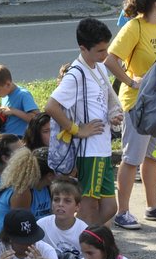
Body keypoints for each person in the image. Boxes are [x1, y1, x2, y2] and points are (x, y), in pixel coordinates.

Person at [105, 0, 156, 229]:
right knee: (132, 158)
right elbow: (110, 60)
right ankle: (122, 211)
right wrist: (132, 82)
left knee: (152, 157)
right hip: (136, 104)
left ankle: (152, 207)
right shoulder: (134, 27)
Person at [46, 17, 120, 226]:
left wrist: (113, 115)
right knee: (88, 207)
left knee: (109, 208)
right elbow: (51, 106)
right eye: (100, 51)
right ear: (83, 48)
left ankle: (84, 242)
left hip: (103, 148)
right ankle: (80, 248)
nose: (105, 55)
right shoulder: (76, 74)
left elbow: (103, 102)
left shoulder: (100, 67)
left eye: (107, 49)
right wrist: (77, 130)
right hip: (90, 152)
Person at [0, 64, 39, 132]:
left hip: (19, 139)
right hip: (5, 137)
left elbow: (36, 118)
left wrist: (14, 111)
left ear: (8, 84)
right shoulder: (5, 95)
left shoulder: (23, 95)